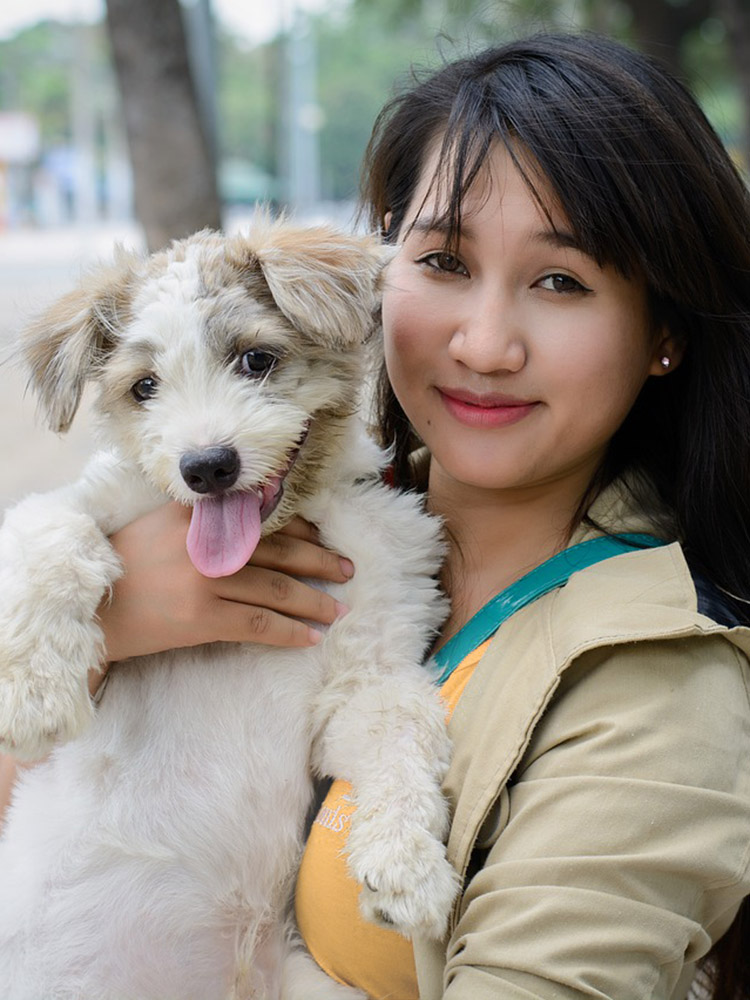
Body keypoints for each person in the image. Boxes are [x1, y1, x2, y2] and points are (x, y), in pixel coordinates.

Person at [3, 29, 750, 1000]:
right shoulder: (330, 512)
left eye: (560, 280)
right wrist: (107, 631)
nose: (484, 344)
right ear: (384, 269)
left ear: (663, 331)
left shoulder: (659, 687)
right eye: (442, 260)